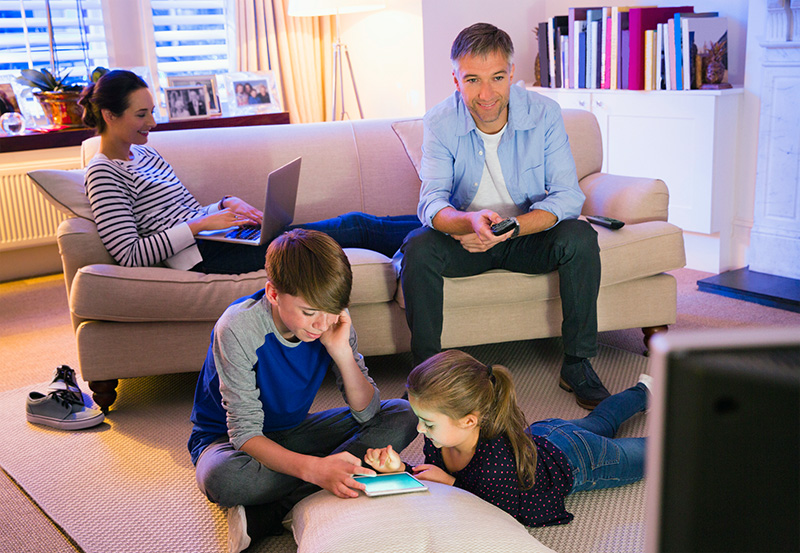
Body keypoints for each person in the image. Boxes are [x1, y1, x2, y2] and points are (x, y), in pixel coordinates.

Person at [399, 23, 606, 409]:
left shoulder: (544, 114)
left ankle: (577, 364)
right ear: (456, 81)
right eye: (472, 80)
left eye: (497, 77)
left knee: (580, 237)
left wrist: (510, 230)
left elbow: (567, 196)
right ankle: (426, 371)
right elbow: (431, 202)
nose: (487, 93)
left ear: (512, 73)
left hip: (524, 234)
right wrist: (469, 223)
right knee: (417, 247)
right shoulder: (439, 122)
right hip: (467, 239)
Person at [188, 229, 419, 552]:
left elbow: (368, 412)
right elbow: (244, 433)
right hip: (230, 442)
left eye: (331, 310)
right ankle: (331, 477)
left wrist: (341, 352)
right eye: (308, 312)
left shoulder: (332, 319)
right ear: (273, 293)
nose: (321, 324)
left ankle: (275, 509)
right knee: (224, 480)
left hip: (293, 431)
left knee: (403, 414)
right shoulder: (238, 328)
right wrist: (315, 468)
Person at [78, 70, 420, 274]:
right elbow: (129, 254)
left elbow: (184, 211)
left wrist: (225, 206)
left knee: (357, 224)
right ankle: (443, 228)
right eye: (141, 115)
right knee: (355, 226)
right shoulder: (104, 173)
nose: (151, 123)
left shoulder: (145, 154)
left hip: (214, 239)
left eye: (151, 112)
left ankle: (443, 223)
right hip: (201, 257)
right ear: (109, 115)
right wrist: (200, 225)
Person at [365, 349, 650, 527]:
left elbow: (502, 516)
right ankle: (644, 389)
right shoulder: (441, 435)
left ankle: (680, 426)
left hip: (579, 459)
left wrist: (452, 483)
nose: (419, 431)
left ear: (469, 421)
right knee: (599, 421)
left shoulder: (494, 466)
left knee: (651, 453)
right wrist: (400, 470)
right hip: (546, 435)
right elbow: (432, 475)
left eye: (427, 423)